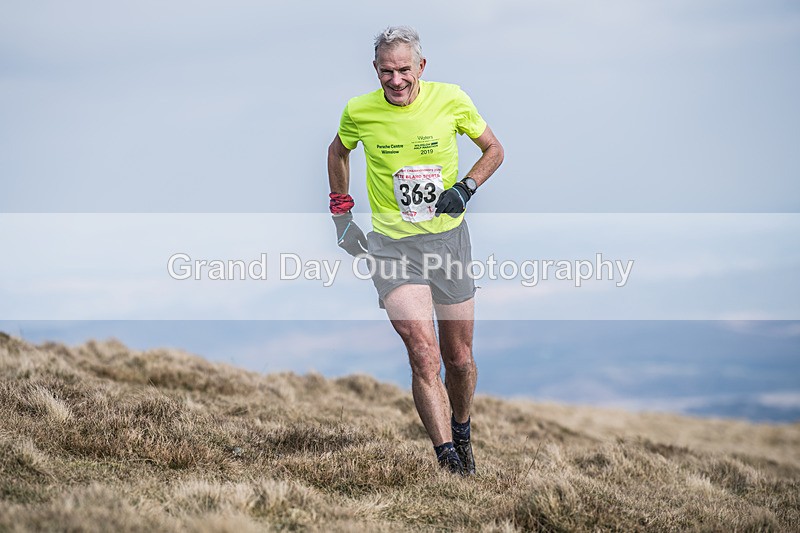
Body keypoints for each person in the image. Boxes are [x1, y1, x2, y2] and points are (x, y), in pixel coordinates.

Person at [327, 26, 504, 476]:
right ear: (376, 70)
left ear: (421, 67)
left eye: (404, 69)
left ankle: (461, 428)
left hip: (447, 240)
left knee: (458, 359)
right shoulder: (359, 111)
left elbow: (493, 150)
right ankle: (447, 459)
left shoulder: (451, 99)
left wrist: (465, 188)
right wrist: (341, 215)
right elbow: (338, 152)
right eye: (386, 71)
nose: (396, 80)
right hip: (391, 245)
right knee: (422, 352)